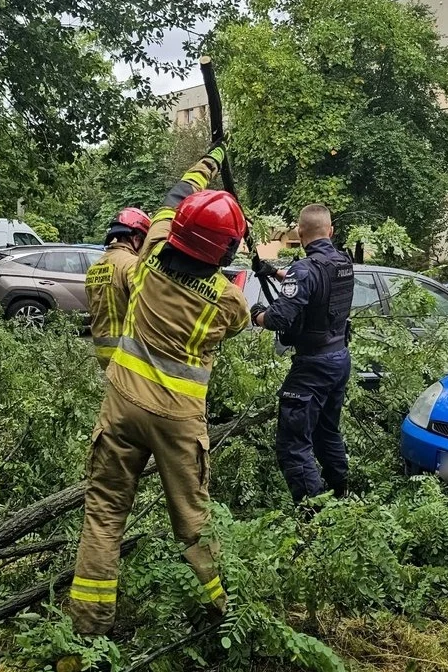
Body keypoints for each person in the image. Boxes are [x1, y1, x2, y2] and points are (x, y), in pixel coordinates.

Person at [69, 142, 250, 636]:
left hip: (122, 406)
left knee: (104, 513)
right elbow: (237, 311)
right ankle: (225, 619)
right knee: (194, 525)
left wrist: (210, 161)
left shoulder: (146, 259)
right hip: (177, 423)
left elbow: (175, 195)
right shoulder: (229, 303)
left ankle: (88, 629)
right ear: (226, 250)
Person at [250, 204, 354, 503]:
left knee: (293, 444)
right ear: (330, 231)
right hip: (339, 359)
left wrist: (256, 314)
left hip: (313, 366)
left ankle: (314, 517)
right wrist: (277, 272)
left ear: (299, 233)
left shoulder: (305, 270)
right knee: (327, 433)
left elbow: (278, 319)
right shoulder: (344, 262)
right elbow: (316, 284)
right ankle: (341, 495)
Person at [85, 208, 151, 370]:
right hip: (127, 351)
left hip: (102, 350)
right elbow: (146, 307)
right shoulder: (132, 265)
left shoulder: (94, 267)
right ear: (136, 239)